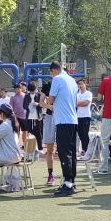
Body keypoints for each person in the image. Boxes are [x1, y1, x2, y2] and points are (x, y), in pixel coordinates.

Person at [47, 61, 79, 197]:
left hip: (63, 120)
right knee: (71, 152)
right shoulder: (72, 80)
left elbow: (50, 100)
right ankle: (71, 181)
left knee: (64, 153)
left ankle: (68, 184)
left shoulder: (57, 79)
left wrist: (45, 98)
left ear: (54, 70)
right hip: (72, 120)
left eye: (51, 73)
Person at [0, 104, 22, 190]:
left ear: (2, 114)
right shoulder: (12, 123)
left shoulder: (5, 124)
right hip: (15, 155)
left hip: (9, 157)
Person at [39, 82, 56, 185]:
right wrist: (50, 107)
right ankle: (50, 175)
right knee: (49, 150)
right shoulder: (47, 86)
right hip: (50, 117)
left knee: (64, 150)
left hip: (64, 118)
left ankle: (67, 177)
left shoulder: (67, 83)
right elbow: (41, 102)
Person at [23, 82, 43, 151]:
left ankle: (40, 148)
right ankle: (31, 148)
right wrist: (29, 106)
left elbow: (43, 105)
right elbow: (24, 106)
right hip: (29, 117)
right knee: (30, 133)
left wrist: (37, 104)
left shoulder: (39, 95)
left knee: (38, 133)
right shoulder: (26, 96)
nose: (32, 92)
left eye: (33, 90)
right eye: (31, 91)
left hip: (37, 117)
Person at [76, 79, 93, 154]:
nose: (80, 85)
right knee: (80, 133)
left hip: (86, 116)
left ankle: (86, 150)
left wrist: (77, 103)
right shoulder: (76, 94)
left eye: (81, 84)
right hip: (78, 116)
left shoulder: (88, 93)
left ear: (85, 84)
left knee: (85, 133)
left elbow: (86, 103)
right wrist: (79, 103)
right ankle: (84, 149)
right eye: (79, 84)